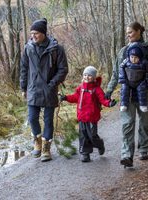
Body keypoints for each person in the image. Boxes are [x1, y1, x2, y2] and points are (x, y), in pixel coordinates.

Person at [20, 18, 68, 162]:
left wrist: (52, 84)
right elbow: (24, 69)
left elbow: (63, 69)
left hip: (49, 89)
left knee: (48, 120)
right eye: (31, 33)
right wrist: (23, 87)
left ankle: (46, 148)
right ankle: (37, 141)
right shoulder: (28, 48)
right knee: (32, 118)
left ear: (43, 33)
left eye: (36, 33)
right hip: (33, 88)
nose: (33, 36)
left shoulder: (56, 49)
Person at [105, 21, 148, 167]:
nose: (128, 35)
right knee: (127, 123)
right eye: (127, 32)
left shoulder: (147, 49)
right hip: (127, 94)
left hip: (145, 94)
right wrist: (109, 90)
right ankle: (126, 155)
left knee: (145, 123)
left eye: (130, 32)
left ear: (139, 31)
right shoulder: (123, 51)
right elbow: (116, 73)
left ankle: (144, 149)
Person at [60, 66, 116, 162]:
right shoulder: (80, 88)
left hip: (92, 117)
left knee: (92, 136)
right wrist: (65, 98)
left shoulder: (96, 89)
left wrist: (109, 103)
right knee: (83, 135)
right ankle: (85, 154)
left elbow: (103, 100)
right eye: (85, 75)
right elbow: (75, 97)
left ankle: (99, 144)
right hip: (82, 116)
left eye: (89, 75)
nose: (87, 77)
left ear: (94, 77)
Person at [119, 42, 148, 112]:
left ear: (140, 57)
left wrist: (146, 80)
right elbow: (121, 67)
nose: (133, 59)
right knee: (124, 89)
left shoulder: (144, 62)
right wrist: (122, 78)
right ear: (129, 56)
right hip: (128, 81)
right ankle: (123, 104)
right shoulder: (126, 61)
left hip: (140, 82)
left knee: (142, 89)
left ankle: (143, 104)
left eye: (136, 57)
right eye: (132, 57)